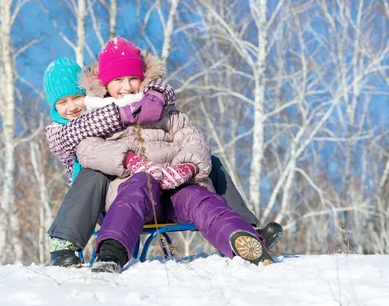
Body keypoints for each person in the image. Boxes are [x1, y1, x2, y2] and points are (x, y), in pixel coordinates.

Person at [43, 54, 282, 268]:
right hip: (117, 194)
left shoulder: (165, 112)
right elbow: (89, 148)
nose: (72, 107)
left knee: (201, 187)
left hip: (174, 189)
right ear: (102, 87)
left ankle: (243, 235)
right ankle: (100, 249)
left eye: (76, 98)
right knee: (112, 178)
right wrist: (130, 159)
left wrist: (187, 167)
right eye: (62, 102)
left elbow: (193, 140)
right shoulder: (92, 120)